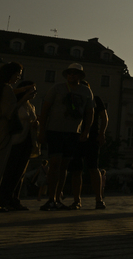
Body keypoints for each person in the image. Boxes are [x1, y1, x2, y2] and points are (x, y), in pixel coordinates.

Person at [38, 63, 94, 211]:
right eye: (69, 73)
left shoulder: (86, 91)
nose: (72, 75)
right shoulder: (56, 88)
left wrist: (86, 130)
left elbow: (90, 113)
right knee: (55, 163)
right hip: (55, 130)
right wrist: (42, 129)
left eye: (75, 73)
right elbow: (45, 109)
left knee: (64, 166)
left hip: (73, 132)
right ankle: (51, 198)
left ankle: (57, 198)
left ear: (80, 76)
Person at [0, 62, 36, 212]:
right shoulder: (7, 89)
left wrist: (21, 90)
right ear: (10, 74)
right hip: (2, 134)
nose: (19, 77)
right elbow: (10, 111)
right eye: (18, 73)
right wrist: (23, 99)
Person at [0, 80, 39, 211]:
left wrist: (35, 124)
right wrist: (23, 98)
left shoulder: (30, 106)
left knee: (20, 173)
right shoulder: (16, 103)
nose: (33, 93)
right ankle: (3, 199)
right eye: (30, 90)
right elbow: (11, 114)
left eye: (34, 90)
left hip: (27, 140)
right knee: (10, 171)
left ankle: (14, 199)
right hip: (14, 141)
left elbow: (31, 119)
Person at [68, 80, 108, 210]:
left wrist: (102, 133)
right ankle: (77, 200)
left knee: (93, 168)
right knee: (76, 170)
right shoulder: (73, 100)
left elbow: (104, 117)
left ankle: (99, 199)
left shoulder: (95, 99)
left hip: (92, 137)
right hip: (75, 135)